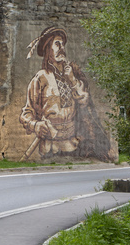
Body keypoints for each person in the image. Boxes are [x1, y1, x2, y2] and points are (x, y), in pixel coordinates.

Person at [20, 26, 94, 160]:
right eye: (57, 44)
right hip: (50, 148)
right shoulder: (40, 78)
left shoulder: (71, 74)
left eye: (63, 44)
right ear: (48, 49)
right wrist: (35, 125)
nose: (62, 48)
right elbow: (26, 113)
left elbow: (84, 101)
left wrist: (72, 80)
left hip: (73, 146)